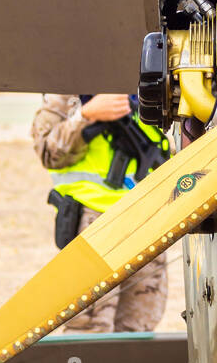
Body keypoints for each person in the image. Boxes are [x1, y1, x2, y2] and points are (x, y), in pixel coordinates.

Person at [33, 93, 169, 331]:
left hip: (145, 222)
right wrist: (86, 116)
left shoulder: (148, 83)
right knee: (87, 328)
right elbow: (48, 152)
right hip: (93, 225)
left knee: (138, 328)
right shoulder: (67, 93)